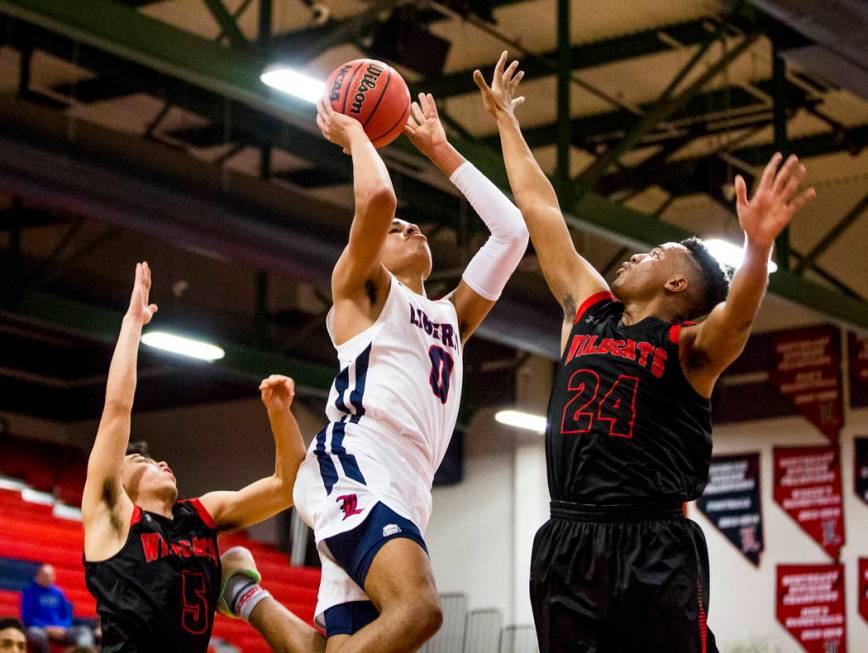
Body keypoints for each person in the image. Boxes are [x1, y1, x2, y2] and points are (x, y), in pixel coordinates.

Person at [473, 52, 816, 653]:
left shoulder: (689, 351)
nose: (632, 256)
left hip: (653, 542)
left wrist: (757, 248)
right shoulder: (589, 309)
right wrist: (506, 121)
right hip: (568, 535)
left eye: (654, 254)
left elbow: (737, 316)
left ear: (678, 286)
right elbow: (542, 210)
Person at [218, 91, 529, 653]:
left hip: (409, 484)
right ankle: (242, 594)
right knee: (419, 611)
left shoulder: (451, 317)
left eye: (414, 226)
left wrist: (442, 150)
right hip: (355, 462)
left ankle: (243, 594)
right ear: (370, 253)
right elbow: (380, 197)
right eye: (398, 229)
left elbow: (512, 233)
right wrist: (357, 133)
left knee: (344, 645)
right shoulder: (361, 292)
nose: (411, 229)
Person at [82, 261, 308, 652]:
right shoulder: (113, 517)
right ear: (118, 484)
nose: (161, 463)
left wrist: (280, 414)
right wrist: (132, 325)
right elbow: (117, 408)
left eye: (159, 460)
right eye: (144, 463)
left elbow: (288, 486)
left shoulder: (202, 515)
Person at [20, 564, 95, 652]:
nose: (48, 578)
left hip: (61, 630)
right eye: (45, 575)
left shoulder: (59, 593)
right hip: (41, 630)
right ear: (37, 576)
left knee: (84, 631)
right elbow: (27, 618)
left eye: (50, 575)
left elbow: (67, 616)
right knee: (34, 633)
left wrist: (63, 628)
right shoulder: (29, 593)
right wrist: (46, 628)